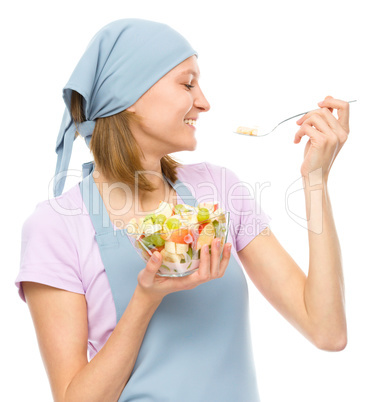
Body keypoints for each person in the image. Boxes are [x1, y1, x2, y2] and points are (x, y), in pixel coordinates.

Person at [14, 18, 348, 402]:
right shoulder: (57, 226)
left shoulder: (218, 190)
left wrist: (316, 179)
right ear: (130, 95)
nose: (204, 102)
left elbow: (327, 332)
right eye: (187, 84)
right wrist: (146, 299)